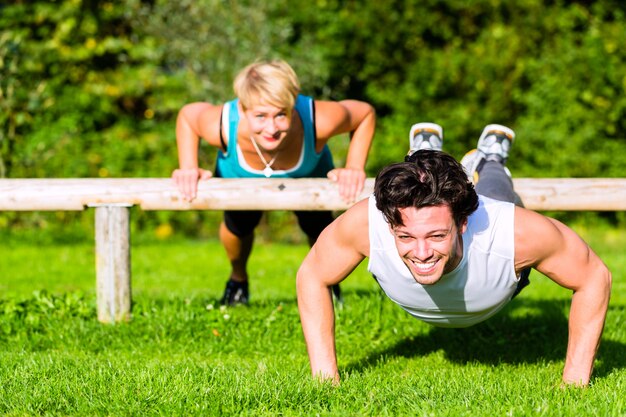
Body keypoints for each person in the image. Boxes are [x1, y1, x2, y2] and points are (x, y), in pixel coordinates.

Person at [296, 123, 611, 386]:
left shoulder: (514, 232)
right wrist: (325, 378)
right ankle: (422, 153)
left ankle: (490, 158)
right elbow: (312, 274)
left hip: (497, 271)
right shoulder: (365, 224)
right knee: (418, 181)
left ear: (462, 223)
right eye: (406, 236)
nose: (421, 253)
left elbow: (594, 276)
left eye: (436, 236)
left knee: (496, 190)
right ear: (390, 225)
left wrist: (574, 381)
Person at [172, 60, 376, 305]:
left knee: (318, 227)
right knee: (239, 225)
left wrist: (354, 167)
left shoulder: (318, 119)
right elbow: (187, 116)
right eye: (260, 116)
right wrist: (188, 167)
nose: (271, 128)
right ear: (243, 109)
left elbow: (365, 113)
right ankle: (238, 281)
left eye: (281, 114)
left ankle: (329, 284)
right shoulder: (220, 124)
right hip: (238, 175)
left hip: (309, 171)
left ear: (292, 106)